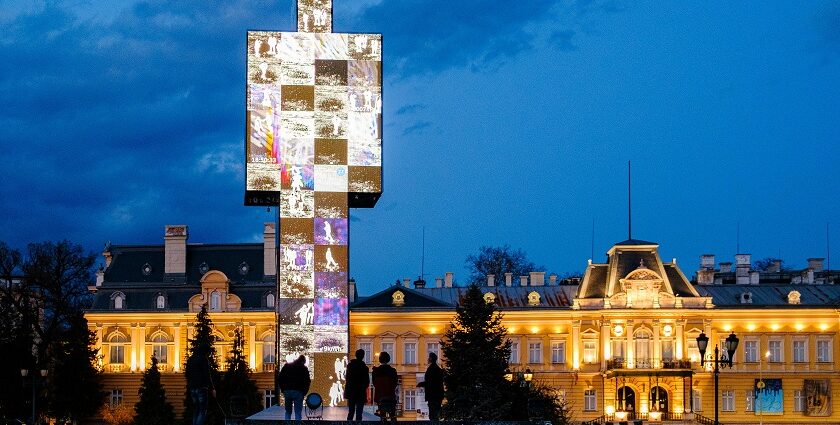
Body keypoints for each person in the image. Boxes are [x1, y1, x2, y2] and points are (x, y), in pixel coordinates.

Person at [185, 346, 216, 425]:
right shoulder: (203, 359)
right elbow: (207, 374)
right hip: (201, 387)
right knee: (202, 410)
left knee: (196, 409)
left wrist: (190, 384)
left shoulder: (190, 360)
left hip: (192, 387)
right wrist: (212, 388)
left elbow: (187, 374)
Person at [277, 355, 311, 420]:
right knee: (298, 412)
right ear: (303, 361)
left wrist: (283, 390)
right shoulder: (304, 368)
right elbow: (307, 381)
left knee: (288, 412)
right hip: (298, 392)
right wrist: (304, 392)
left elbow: (280, 378)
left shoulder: (287, 366)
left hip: (287, 391)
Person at [372, 352, 398, 423]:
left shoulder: (376, 371)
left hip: (380, 396)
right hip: (390, 395)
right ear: (388, 359)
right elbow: (395, 383)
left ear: (380, 360)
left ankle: (382, 417)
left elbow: (374, 383)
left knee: (381, 410)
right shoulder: (392, 371)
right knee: (392, 409)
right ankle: (392, 416)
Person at [417, 352, 444, 421]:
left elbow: (430, 382)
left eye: (429, 357)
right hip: (438, 395)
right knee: (436, 414)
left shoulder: (431, 369)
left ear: (431, 359)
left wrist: (421, 384)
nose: (428, 359)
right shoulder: (438, 369)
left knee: (432, 416)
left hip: (433, 395)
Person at [344, 349, 370, 421]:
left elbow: (347, 378)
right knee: (359, 413)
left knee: (351, 412)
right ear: (363, 356)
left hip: (351, 392)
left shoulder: (350, 366)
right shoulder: (364, 368)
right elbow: (367, 382)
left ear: (356, 355)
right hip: (360, 393)